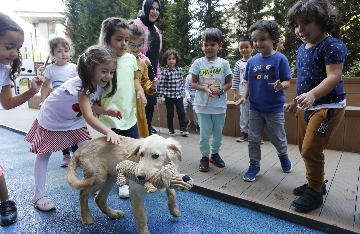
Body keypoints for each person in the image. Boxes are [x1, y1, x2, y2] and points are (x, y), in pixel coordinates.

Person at [24, 45, 123, 212]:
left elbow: (89, 107)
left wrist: (106, 110)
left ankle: (92, 181)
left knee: (89, 150)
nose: (109, 76)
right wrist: (109, 131)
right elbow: (88, 116)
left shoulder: (98, 84)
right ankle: (39, 194)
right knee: (43, 154)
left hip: (72, 121)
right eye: (105, 71)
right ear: (90, 69)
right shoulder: (81, 87)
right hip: (52, 119)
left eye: (111, 72)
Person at [285, 0, 347, 212]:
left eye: (306, 23)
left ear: (321, 20)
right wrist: (296, 100)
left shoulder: (332, 45)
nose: (300, 30)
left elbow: (334, 76)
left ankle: (315, 191)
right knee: (305, 148)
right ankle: (315, 183)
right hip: (307, 106)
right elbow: (304, 80)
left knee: (312, 148)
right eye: (295, 25)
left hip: (327, 106)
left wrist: (312, 95)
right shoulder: (303, 49)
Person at [0, 12, 45, 226]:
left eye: (17, 48)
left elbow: (7, 103)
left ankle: (5, 202)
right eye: (9, 46)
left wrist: (31, 92)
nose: (15, 53)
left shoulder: (3, 71)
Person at [236, 20, 292, 182]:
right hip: (255, 108)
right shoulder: (252, 61)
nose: (258, 43)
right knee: (253, 139)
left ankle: (283, 155)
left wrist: (282, 85)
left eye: (262, 39)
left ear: (273, 38)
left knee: (278, 138)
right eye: (255, 40)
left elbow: (288, 81)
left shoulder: (280, 59)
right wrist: (244, 97)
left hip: (274, 108)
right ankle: (254, 165)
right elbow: (248, 83)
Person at [98, 17, 146, 198]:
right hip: (111, 117)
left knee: (134, 150)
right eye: (119, 39)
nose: (124, 44)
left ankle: (136, 178)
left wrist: (140, 90)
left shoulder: (130, 59)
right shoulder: (103, 60)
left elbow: (135, 79)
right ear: (106, 38)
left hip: (130, 114)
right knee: (117, 153)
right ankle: (121, 182)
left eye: (126, 40)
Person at [189, 28, 232, 172]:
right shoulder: (198, 63)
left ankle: (215, 154)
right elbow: (193, 83)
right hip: (202, 105)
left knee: (218, 134)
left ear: (220, 45)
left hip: (219, 106)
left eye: (212, 44)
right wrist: (204, 89)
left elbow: (229, 83)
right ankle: (204, 156)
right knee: (204, 134)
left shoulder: (224, 63)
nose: (208, 47)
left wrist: (220, 90)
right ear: (202, 45)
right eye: (205, 44)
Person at [38, 37, 78, 167]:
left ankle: (77, 155)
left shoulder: (74, 68)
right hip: (57, 105)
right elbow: (45, 87)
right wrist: (43, 101)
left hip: (72, 106)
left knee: (73, 129)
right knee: (61, 131)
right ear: (52, 54)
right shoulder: (50, 69)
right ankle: (66, 154)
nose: (63, 54)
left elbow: (79, 85)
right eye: (59, 51)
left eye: (66, 50)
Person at [134, 0, 162, 135]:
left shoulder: (156, 29)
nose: (155, 12)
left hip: (151, 72)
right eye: (152, 8)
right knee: (139, 104)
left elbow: (156, 53)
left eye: (157, 9)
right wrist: (143, 59)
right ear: (145, 8)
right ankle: (137, 134)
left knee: (150, 103)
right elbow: (131, 47)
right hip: (138, 71)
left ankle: (147, 132)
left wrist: (157, 72)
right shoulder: (136, 24)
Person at [128, 20, 158, 138]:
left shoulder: (142, 63)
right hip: (123, 105)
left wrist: (152, 86)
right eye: (132, 45)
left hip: (138, 104)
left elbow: (145, 82)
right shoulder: (118, 61)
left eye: (139, 45)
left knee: (137, 136)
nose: (136, 49)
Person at [158, 49, 188, 137]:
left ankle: (183, 129)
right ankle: (171, 129)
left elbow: (181, 82)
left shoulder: (179, 70)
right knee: (170, 113)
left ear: (176, 60)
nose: (171, 61)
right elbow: (162, 84)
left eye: (173, 59)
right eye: (169, 59)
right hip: (169, 96)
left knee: (181, 112)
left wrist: (183, 92)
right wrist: (160, 96)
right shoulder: (165, 71)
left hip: (178, 95)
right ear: (166, 60)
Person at [231, 36, 254, 142]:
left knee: (255, 114)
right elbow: (235, 78)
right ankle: (243, 132)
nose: (244, 50)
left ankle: (255, 134)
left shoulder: (256, 61)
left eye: (246, 47)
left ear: (252, 47)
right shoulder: (238, 63)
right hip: (242, 93)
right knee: (244, 114)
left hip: (255, 93)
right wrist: (235, 93)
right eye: (241, 47)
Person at [183, 56, 199, 133]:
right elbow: (186, 88)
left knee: (195, 109)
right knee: (182, 106)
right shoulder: (189, 76)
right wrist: (188, 97)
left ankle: (198, 125)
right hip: (189, 97)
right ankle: (185, 122)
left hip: (198, 97)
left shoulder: (202, 76)